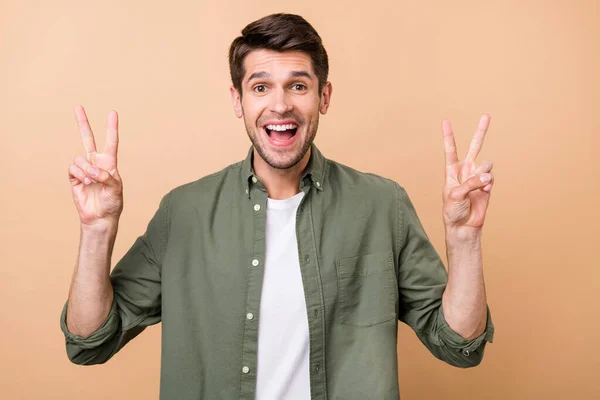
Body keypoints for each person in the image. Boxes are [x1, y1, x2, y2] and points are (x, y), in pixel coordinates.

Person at [61, 13, 495, 400]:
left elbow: (459, 344)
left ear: (323, 97)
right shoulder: (184, 212)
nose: (281, 104)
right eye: (261, 86)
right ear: (239, 101)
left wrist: (464, 239)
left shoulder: (382, 205)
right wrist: (97, 230)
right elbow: (90, 341)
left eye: (299, 86)